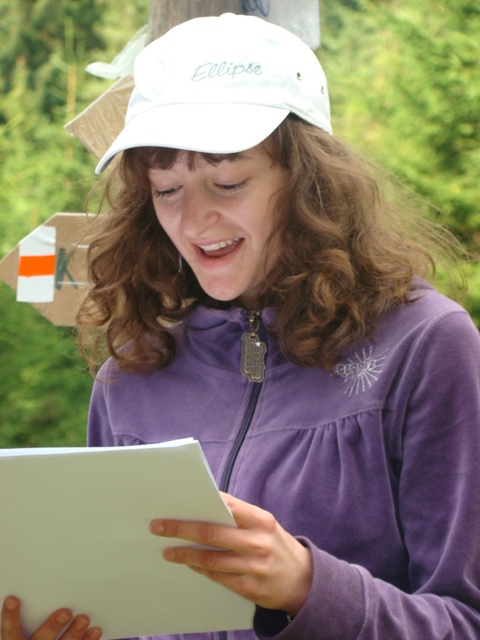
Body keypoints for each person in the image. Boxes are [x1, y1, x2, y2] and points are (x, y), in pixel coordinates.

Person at [3, 12, 480, 640]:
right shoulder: (131, 371)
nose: (193, 220)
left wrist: (309, 587)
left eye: (227, 182)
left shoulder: (426, 344)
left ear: (310, 180)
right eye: (166, 189)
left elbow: (464, 619)